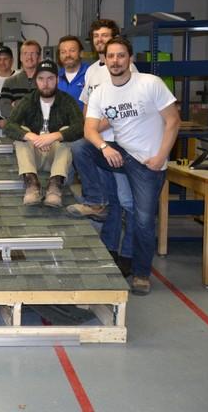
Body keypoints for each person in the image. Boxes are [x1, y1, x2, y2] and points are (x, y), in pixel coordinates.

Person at [67, 37, 179, 295]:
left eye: (121, 56)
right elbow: (89, 129)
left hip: (148, 163)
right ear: (104, 60)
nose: (115, 61)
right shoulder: (102, 91)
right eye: (111, 56)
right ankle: (96, 201)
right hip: (121, 154)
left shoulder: (150, 84)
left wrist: (161, 156)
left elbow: (173, 121)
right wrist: (105, 147)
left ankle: (141, 274)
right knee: (81, 147)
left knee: (142, 220)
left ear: (130, 59)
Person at [73, 18, 138, 276]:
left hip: (124, 146)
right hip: (100, 148)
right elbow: (88, 108)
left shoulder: (129, 68)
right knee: (109, 202)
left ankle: (129, 255)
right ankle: (110, 250)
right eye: (96, 36)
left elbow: (126, 108)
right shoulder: (91, 71)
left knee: (127, 203)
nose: (100, 40)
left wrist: (95, 127)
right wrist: (92, 132)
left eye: (105, 36)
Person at [4, 59, 84, 207]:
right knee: (23, 134)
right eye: (41, 78)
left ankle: (55, 185)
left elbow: (80, 127)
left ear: (57, 80)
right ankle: (32, 184)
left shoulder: (67, 101)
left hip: (56, 156)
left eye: (50, 78)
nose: (45, 83)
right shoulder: (28, 100)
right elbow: (9, 126)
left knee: (65, 132)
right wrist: (34, 138)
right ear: (36, 81)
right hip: (34, 155)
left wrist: (53, 137)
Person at [0, 40, 41, 120]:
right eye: (25, 53)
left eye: (33, 53)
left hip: (42, 131)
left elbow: (50, 107)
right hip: (17, 131)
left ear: (39, 58)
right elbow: (5, 110)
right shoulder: (10, 82)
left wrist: (17, 104)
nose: (29, 57)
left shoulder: (47, 81)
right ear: (21, 58)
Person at [57, 35, 89, 107]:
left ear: (81, 53)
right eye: (63, 52)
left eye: (72, 50)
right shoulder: (55, 78)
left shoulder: (90, 73)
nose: (67, 55)